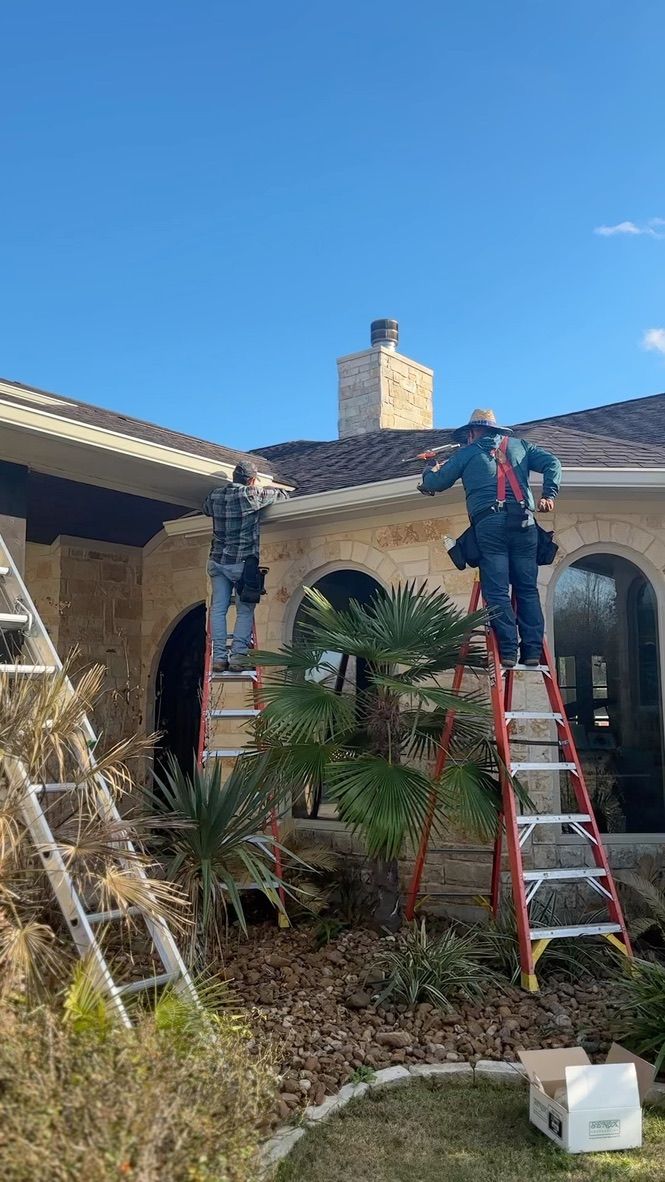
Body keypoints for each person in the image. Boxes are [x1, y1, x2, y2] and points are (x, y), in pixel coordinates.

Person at [419, 408, 562, 668]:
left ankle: (508, 651)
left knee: (497, 592)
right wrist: (548, 494)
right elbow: (553, 463)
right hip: (524, 523)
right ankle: (531, 652)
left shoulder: (467, 453)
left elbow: (435, 484)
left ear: (472, 432)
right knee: (527, 589)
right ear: (496, 430)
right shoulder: (521, 447)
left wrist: (429, 466)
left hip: (491, 525)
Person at [203, 461, 290, 672]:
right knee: (244, 609)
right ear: (251, 480)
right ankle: (238, 657)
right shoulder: (251, 495)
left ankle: (219, 657)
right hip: (241, 563)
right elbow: (281, 496)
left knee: (218, 609)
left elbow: (206, 508)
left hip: (217, 561)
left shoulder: (215, 496)